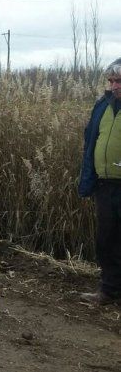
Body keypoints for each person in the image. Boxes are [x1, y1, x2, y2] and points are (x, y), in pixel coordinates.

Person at [78, 57, 121, 306]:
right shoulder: (102, 106)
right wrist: (88, 179)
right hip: (105, 185)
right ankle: (108, 290)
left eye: (119, 81)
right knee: (107, 240)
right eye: (112, 81)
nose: (115, 86)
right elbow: (90, 142)